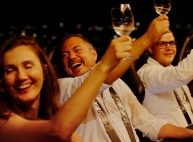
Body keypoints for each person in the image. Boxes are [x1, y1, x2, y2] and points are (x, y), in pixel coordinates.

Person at [58, 15, 193, 142]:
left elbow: (148, 123)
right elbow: (97, 79)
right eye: (65, 55)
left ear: (94, 53)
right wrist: (146, 39)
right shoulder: (62, 87)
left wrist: (191, 134)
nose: (71, 56)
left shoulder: (117, 83)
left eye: (77, 50)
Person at [0, 34, 132, 142]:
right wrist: (105, 65)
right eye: (10, 70)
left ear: (44, 72)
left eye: (28, 66)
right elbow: (57, 131)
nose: (21, 76)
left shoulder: (52, 110)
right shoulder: (4, 122)